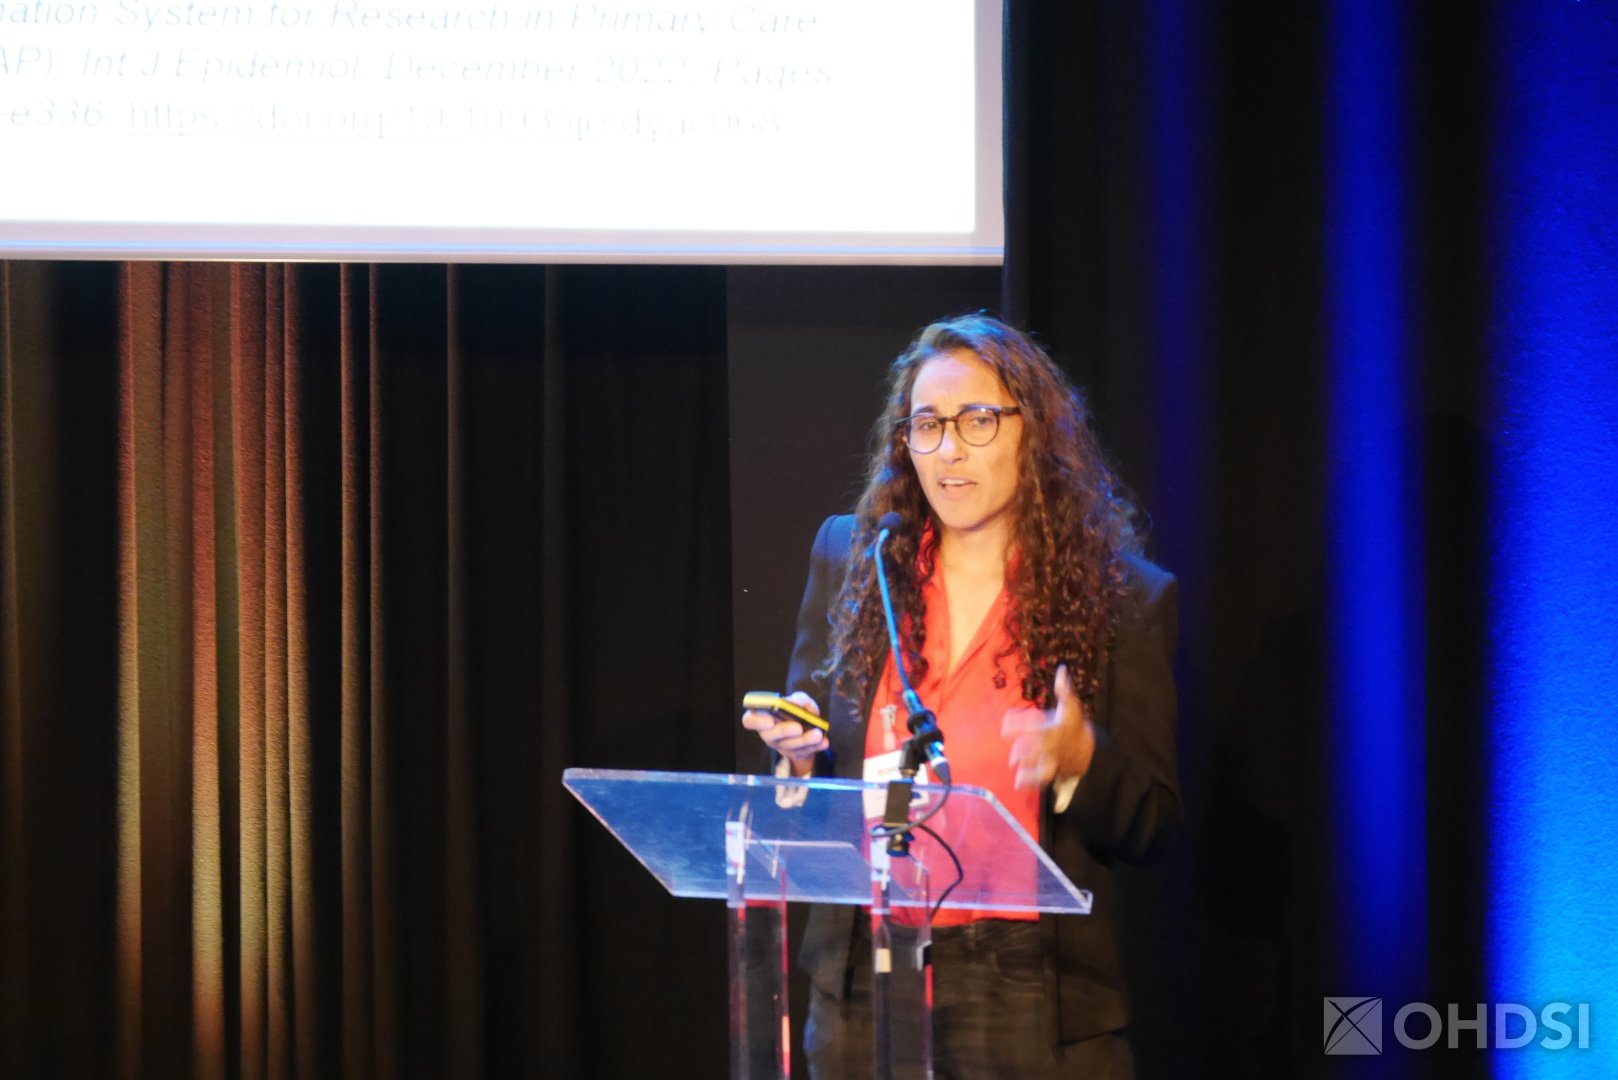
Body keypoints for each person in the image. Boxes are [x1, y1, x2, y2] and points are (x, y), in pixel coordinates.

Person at [742, 314, 1181, 1079]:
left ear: (1031, 431)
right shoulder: (856, 559)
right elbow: (810, 748)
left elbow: (1154, 821)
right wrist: (798, 758)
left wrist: (1080, 762)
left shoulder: (1121, 599)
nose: (949, 449)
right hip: (864, 973)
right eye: (928, 425)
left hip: (1031, 984)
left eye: (977, 420)